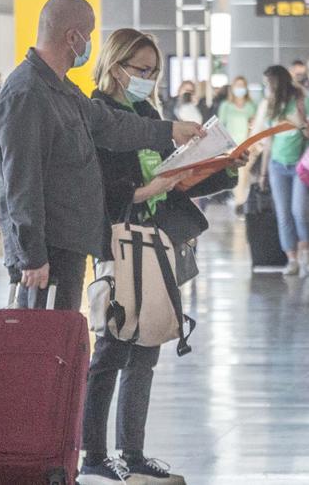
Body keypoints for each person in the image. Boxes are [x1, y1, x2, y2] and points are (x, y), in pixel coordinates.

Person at [81, 28, 238, 485]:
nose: (147, 79)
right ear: (115, 65)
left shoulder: (149, 113)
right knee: (112, 345)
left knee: (146, 346)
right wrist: (151, 188)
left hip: (154, 237)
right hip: (116, 239)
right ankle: (93, 455)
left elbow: (177, 178)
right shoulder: (100, 115)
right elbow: (104, 190)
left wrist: (220, 169)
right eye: (140, 70)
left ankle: (133, 454)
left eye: (153, 72)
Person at [0, 0, 204, 309]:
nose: (89, 45)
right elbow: (21, 184)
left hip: (68, 241)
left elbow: (110, 125)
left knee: (60, 342)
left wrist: (170, 130)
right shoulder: (26, 94)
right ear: (73, 37)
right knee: (41, 344)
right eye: (88, 36)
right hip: (47, 250)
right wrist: (32, 256)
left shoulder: (60, 89)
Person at [258, 64, 309, 276]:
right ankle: (292, 259)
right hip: (278, 165)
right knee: (283, 214)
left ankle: (305, 252)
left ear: (278, 82)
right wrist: (263, 171)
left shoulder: (304, 101)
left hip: (301, 166)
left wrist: (301, 124)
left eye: (268, 83)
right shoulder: (271, 105)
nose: (266, 87)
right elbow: (269, 141)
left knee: (299, 211)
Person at [218, 76, 258, 213]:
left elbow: (254, 125)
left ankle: (242, 202)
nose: (240, 89)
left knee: (245, 174)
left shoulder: (250, 106)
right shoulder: (226, 106)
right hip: (230, 145)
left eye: (242, 85)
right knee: (236, 173)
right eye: (237, 85)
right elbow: (221, 124)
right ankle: (239, 202)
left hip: (246, 144)